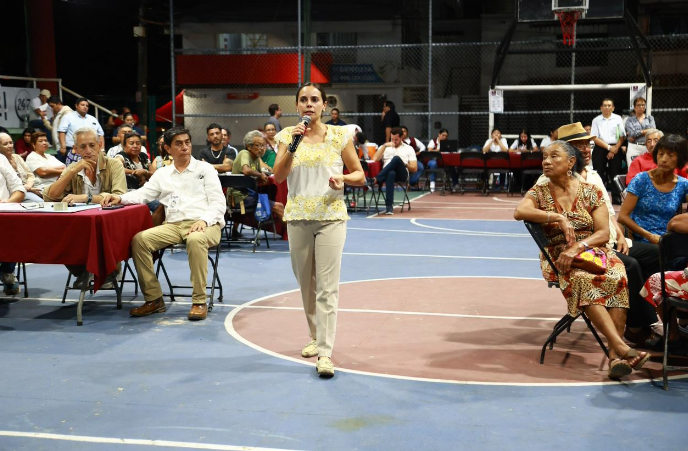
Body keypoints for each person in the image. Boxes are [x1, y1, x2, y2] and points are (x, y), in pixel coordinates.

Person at [514, 140, 650, 379]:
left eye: (554, 156)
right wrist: (557, 217)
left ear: (570, 162)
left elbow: (603, 233)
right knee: (583, 279)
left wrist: (578, 246)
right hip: (560, 258)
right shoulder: (540, 191)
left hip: (593, 252)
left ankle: (615, 359)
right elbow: (520, 212)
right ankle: (620, 349)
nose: (546, 161)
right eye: (544, 157)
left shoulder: (591, 191)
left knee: (619, 276)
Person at [273, 82, 365, 377]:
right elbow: (278, 176)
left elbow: (360, 174)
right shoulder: (288, 136)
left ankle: (325, 353)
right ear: (297, 106)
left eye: (315, 99)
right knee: (306, 284)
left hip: (331, 217)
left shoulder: (340, 135)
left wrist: (343, 179)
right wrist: (293, 145)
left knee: (327, 287)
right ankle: (315, 335)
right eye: (304, 100)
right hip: (298, 218)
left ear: (324, 105)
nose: (309, 104)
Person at [546, 123, 661, 348]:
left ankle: (655, 316)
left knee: (657, 254)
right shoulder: (555, 181)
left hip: (611, 240)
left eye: (587, 145)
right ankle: (638, 328)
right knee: (631, 265)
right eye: (580, 146)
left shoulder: (594, 176)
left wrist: (620, 234)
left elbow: (608, 212)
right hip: (591, 247)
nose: (586, 150)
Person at [101, 127, 226, 321]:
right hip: (173, 225)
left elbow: (218, 203)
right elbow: (143, 194)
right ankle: (154, 299)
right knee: (140, 240)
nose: (185, 147)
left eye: (187, 142)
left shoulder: (205, 169)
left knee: (195, 240)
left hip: (206, 224)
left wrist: (204, 220)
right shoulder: (162, 174)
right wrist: (119, 198)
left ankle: (199, 301)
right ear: (168, 148)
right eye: (179, 144)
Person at [43, 127, 128, 288]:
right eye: (82, 147)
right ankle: (82, 271)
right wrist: (71, 171)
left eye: (92, 145)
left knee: (105, 231)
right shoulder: (74, 167)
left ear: (100, 145)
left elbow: (118, 195)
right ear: (75, 149)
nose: (88, 151)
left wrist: (87, 198)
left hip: (107, 221)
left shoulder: (114, 165)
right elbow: (50, 196)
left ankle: (111, 271)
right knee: (56, 233)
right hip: (80, 223)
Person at [618, 134, 688, 244]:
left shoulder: (683, 184)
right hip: (640, 239)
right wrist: (650, 236)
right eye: (661, 154)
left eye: (670, 155)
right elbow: (622, 216)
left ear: (680, 159)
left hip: (668, 240)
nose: (664, 159)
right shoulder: (641, 179)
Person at [228, 130, 284, 236]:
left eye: (263, 145)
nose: (262, 148)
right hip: (239, 198)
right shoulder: (244, 153)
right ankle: (290, 235)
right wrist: (260, 175)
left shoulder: (256, 159)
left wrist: (261, 176)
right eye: (258, 145)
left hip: (250, 195)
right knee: (279, 206)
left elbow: (260, 175)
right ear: (249, 146)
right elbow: (246, 170)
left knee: (272, 199)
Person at [373, 127, 417, 214]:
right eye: (392, 139)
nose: (393, 141)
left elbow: (414, 168)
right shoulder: (385, 147)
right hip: (387, 174)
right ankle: (389, 207)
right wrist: (385, 146)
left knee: (396, 159)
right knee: (391, 173)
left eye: (396, 140)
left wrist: (404, 164)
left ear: (401, 138)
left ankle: (377, 178)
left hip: (402, 173)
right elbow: (375, 159)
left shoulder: (409, 148)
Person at [0, 154, 26, 295]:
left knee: (14, 227)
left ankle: (6, 270)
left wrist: (7, 203)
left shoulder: (1, 159)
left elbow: (19, 189)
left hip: (4, 215)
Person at [58, 98, 105, 165]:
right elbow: (62, 132)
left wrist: (102, 149)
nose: (85, 107)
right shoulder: (68, 117)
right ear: (76, 106)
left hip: (90, 150)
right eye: (82, 105)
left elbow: (100, 134)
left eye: (87, 105)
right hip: (72, 149)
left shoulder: (92, 119)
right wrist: (63, 146)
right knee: (72, 169)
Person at [591, 98, 625, 190]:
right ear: (601, 108)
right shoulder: (596, 120)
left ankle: (616, 196)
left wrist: (614, 149)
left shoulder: (618, 119)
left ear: (613, 108)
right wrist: (609, 148)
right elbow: (594, 137)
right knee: (598, 173)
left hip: (616, 147)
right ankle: (599, 195)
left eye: (609, 105)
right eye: (605, 105)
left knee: (615, 173)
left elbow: (622, 136)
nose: (607, 107)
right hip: (600, 148)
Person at [0, 133, 43, 202]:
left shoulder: (17, 157)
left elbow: (30, 175)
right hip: (18, 192)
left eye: (11, 143)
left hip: (31, 186)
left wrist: (29, 186)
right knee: (40, 202)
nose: (10, 146)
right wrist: (28, 189)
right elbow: (10, 185)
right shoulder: (2, 160)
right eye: (5, 144)